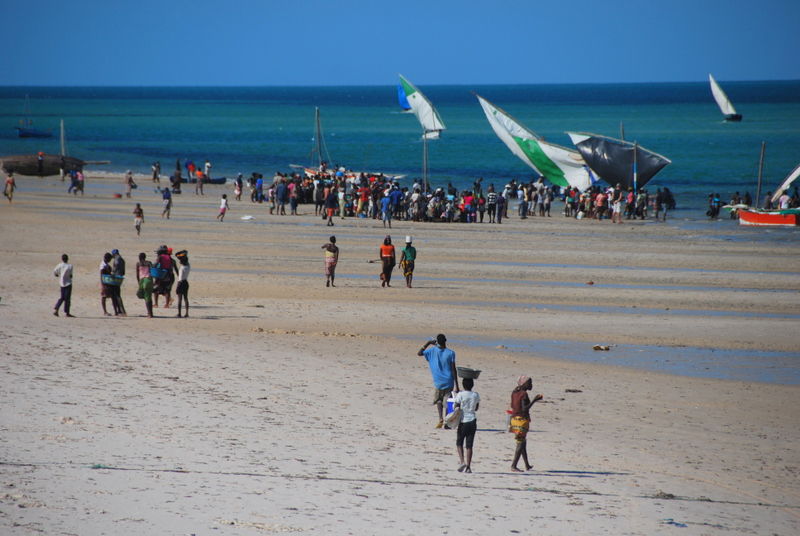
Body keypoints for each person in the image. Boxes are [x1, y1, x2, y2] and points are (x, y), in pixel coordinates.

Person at [418, 334, 459, 428]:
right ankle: (447, 421)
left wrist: (428, 343)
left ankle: (440, 418)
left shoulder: (432, 351)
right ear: (445, 341)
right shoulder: (451, 353)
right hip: (449, 381)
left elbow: (419, 353)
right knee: (449, 401)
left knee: (439, 400)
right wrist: (457, 385)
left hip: (438, 382)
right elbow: (454, 370)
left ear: (436, 342)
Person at [509, 376, 544, 472]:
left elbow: (512, 406)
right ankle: (514, 465)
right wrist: (534, 400)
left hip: (514, 419)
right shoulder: (524, 394)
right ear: (524, 384)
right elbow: (525, 409)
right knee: (520, 443)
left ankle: (527, 464)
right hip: (521, 421)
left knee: (522, 442)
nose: (531, 385)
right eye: (529, 383)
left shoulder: (514, 392)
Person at [454, 377, 480, 473]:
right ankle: (468, 466)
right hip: (472, 421)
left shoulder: (460, 394)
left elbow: (456, 406)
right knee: (469, 445)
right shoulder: (475, 395)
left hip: (463, 420)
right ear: (472, 385)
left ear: (463, 385)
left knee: (459, 442)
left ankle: (462, 462)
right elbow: (476, 408)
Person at [135, 252, 154, 318]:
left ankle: (150, 314)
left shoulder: (138, 264)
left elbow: (137, 275)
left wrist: (139, 283)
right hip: (149, 280)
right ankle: (150, 313)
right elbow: (153, 271)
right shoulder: (149, 263)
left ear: (139, 257)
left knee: (145, 296)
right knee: (148, 296)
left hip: (142, 280)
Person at [110, 249, 127, 316]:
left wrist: (113, 273)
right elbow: (123, 271)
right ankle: (120, 310)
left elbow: (116, 265)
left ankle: (122, 311)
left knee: (117, 295)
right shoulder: (122, 259)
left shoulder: (117, 258)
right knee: (117, 294)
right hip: (120, 277)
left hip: (116, 278)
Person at [175, 250, 190, 317]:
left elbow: (180, 279)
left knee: (180, 299)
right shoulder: (188, 266)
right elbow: (182, 258)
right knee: (186, 298)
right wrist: (183, 255)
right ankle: (187, 313)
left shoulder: (181, 268)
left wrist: (178, 286)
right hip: (186, 282)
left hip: (181, 283)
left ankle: (179, 313)